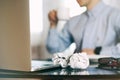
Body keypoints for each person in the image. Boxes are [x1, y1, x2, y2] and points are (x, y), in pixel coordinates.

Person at [46, 0, 120, 57]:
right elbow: (54, 48)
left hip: (106, 75)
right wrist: (53, 24)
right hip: (76, 75)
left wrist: (97, 51)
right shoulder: (74, 21)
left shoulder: (116, 15)